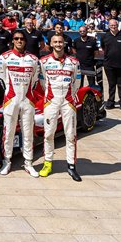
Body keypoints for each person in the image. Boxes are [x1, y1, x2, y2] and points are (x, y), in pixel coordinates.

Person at [39, 33, 82, 181]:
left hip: (68, 101)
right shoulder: (43, 62)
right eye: (55, 42)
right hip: (51, 101)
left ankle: (71, 166)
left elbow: (77, 82)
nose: (58, 44)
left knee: (70, 135)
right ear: (50, 44)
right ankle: (48, 163)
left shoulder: (74, 62)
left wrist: (70, 96)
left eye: (60, 42)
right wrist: (50, 96)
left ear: (64, 44)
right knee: (48, 133)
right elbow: (42, 82)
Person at [0, 31, 40, 177]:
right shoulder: (4, 57)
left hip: (28, 100)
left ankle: (28, 162)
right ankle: (7, 161)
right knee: (8, 131)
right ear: (12, 41)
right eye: (16, 38)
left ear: (25, 41)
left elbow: (35, 80)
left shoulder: (33, 59)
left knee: (28, 132)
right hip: (11, 99)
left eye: (22, 39)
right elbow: (2, 78)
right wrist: (10, 95)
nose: (19, 41)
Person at [99, 19, 121, 111]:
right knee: (111, 84)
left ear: (118, 25)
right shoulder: (105, 36)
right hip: (109, 64)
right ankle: (111, 101)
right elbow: (103, 48)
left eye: (115, 25)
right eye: (111, 25)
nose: (113, 27)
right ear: (108, 26)